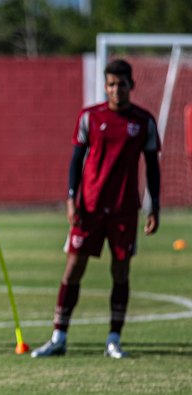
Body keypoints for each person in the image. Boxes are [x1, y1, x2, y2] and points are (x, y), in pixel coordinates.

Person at [31, 59, 161, 359]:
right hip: (88, 208)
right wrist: (70, 198)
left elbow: (152, 167)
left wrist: (154, 206)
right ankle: (58, 337)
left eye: (122, 84)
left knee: (120, 272)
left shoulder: (144, 121)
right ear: (106, 86)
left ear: (132, 86)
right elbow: (76, 160)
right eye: (112, 84)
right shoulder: (90, 117)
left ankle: (113, 339)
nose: (117, 90)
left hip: (124, 210)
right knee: (73, 269)